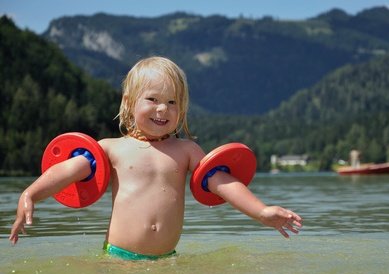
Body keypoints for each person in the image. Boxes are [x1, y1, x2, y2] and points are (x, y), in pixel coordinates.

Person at [9, 56, 302, 260]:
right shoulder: (111, 148)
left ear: (182, 109)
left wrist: (260, 211)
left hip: (166, 259)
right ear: (129, 102)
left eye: (172, 102)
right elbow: (66, 171)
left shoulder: (186, 151)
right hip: (118, 258)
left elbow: (222, 182)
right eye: (152, 99)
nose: (163, 109)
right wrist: (31, 193)